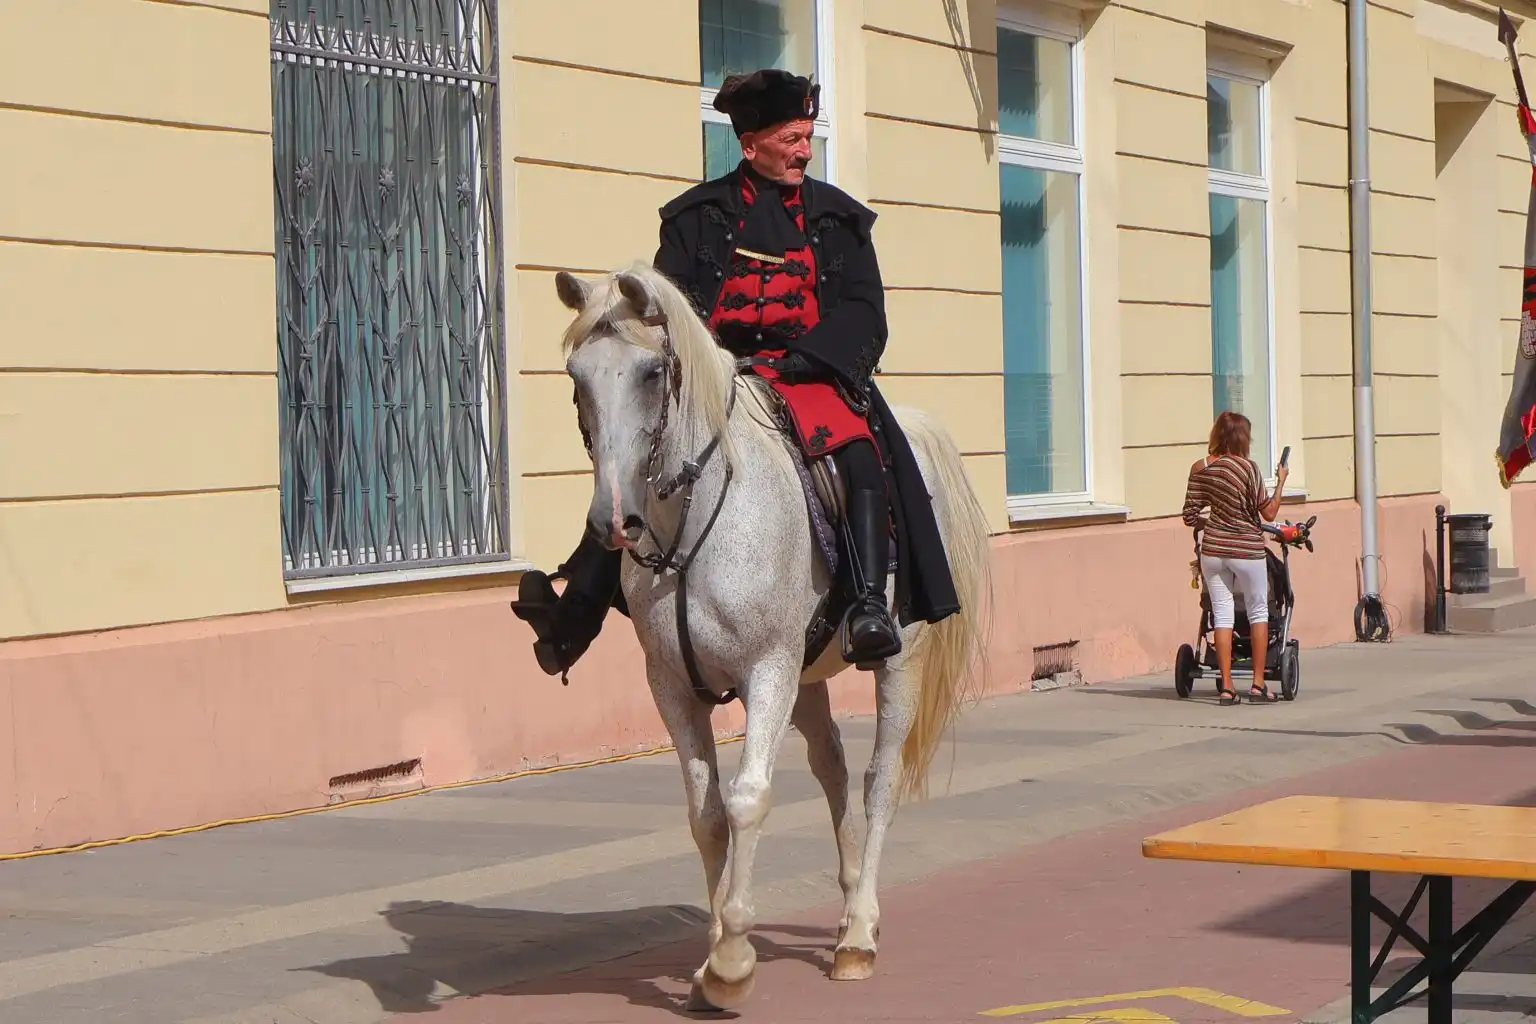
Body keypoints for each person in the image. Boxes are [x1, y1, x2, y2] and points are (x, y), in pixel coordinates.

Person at [512, 68, 961, 680]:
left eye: (808, 136)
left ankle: (866, 605)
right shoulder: (694, 218)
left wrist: (812, 358)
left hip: (810, 374)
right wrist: (711, 364)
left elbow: (864, 312)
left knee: (855, 446)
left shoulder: (839, 220)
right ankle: (577, 614)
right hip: (720, 375)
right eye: (791, 138)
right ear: (751, 144)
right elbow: (671, 310)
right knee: (637, 460)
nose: (805, 149)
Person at [1180, 411, 1289, 705]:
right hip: (1247, 550)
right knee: (1258, 612)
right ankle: (1257, 684)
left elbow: (1190, 516)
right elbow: (1269, 513)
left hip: (1213, 552)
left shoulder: (1200, 467)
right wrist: (1280, 482)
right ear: (1243, 438)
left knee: (1222, 614)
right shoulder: (1249, 469)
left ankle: (1226, 687)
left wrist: (1215, 524)